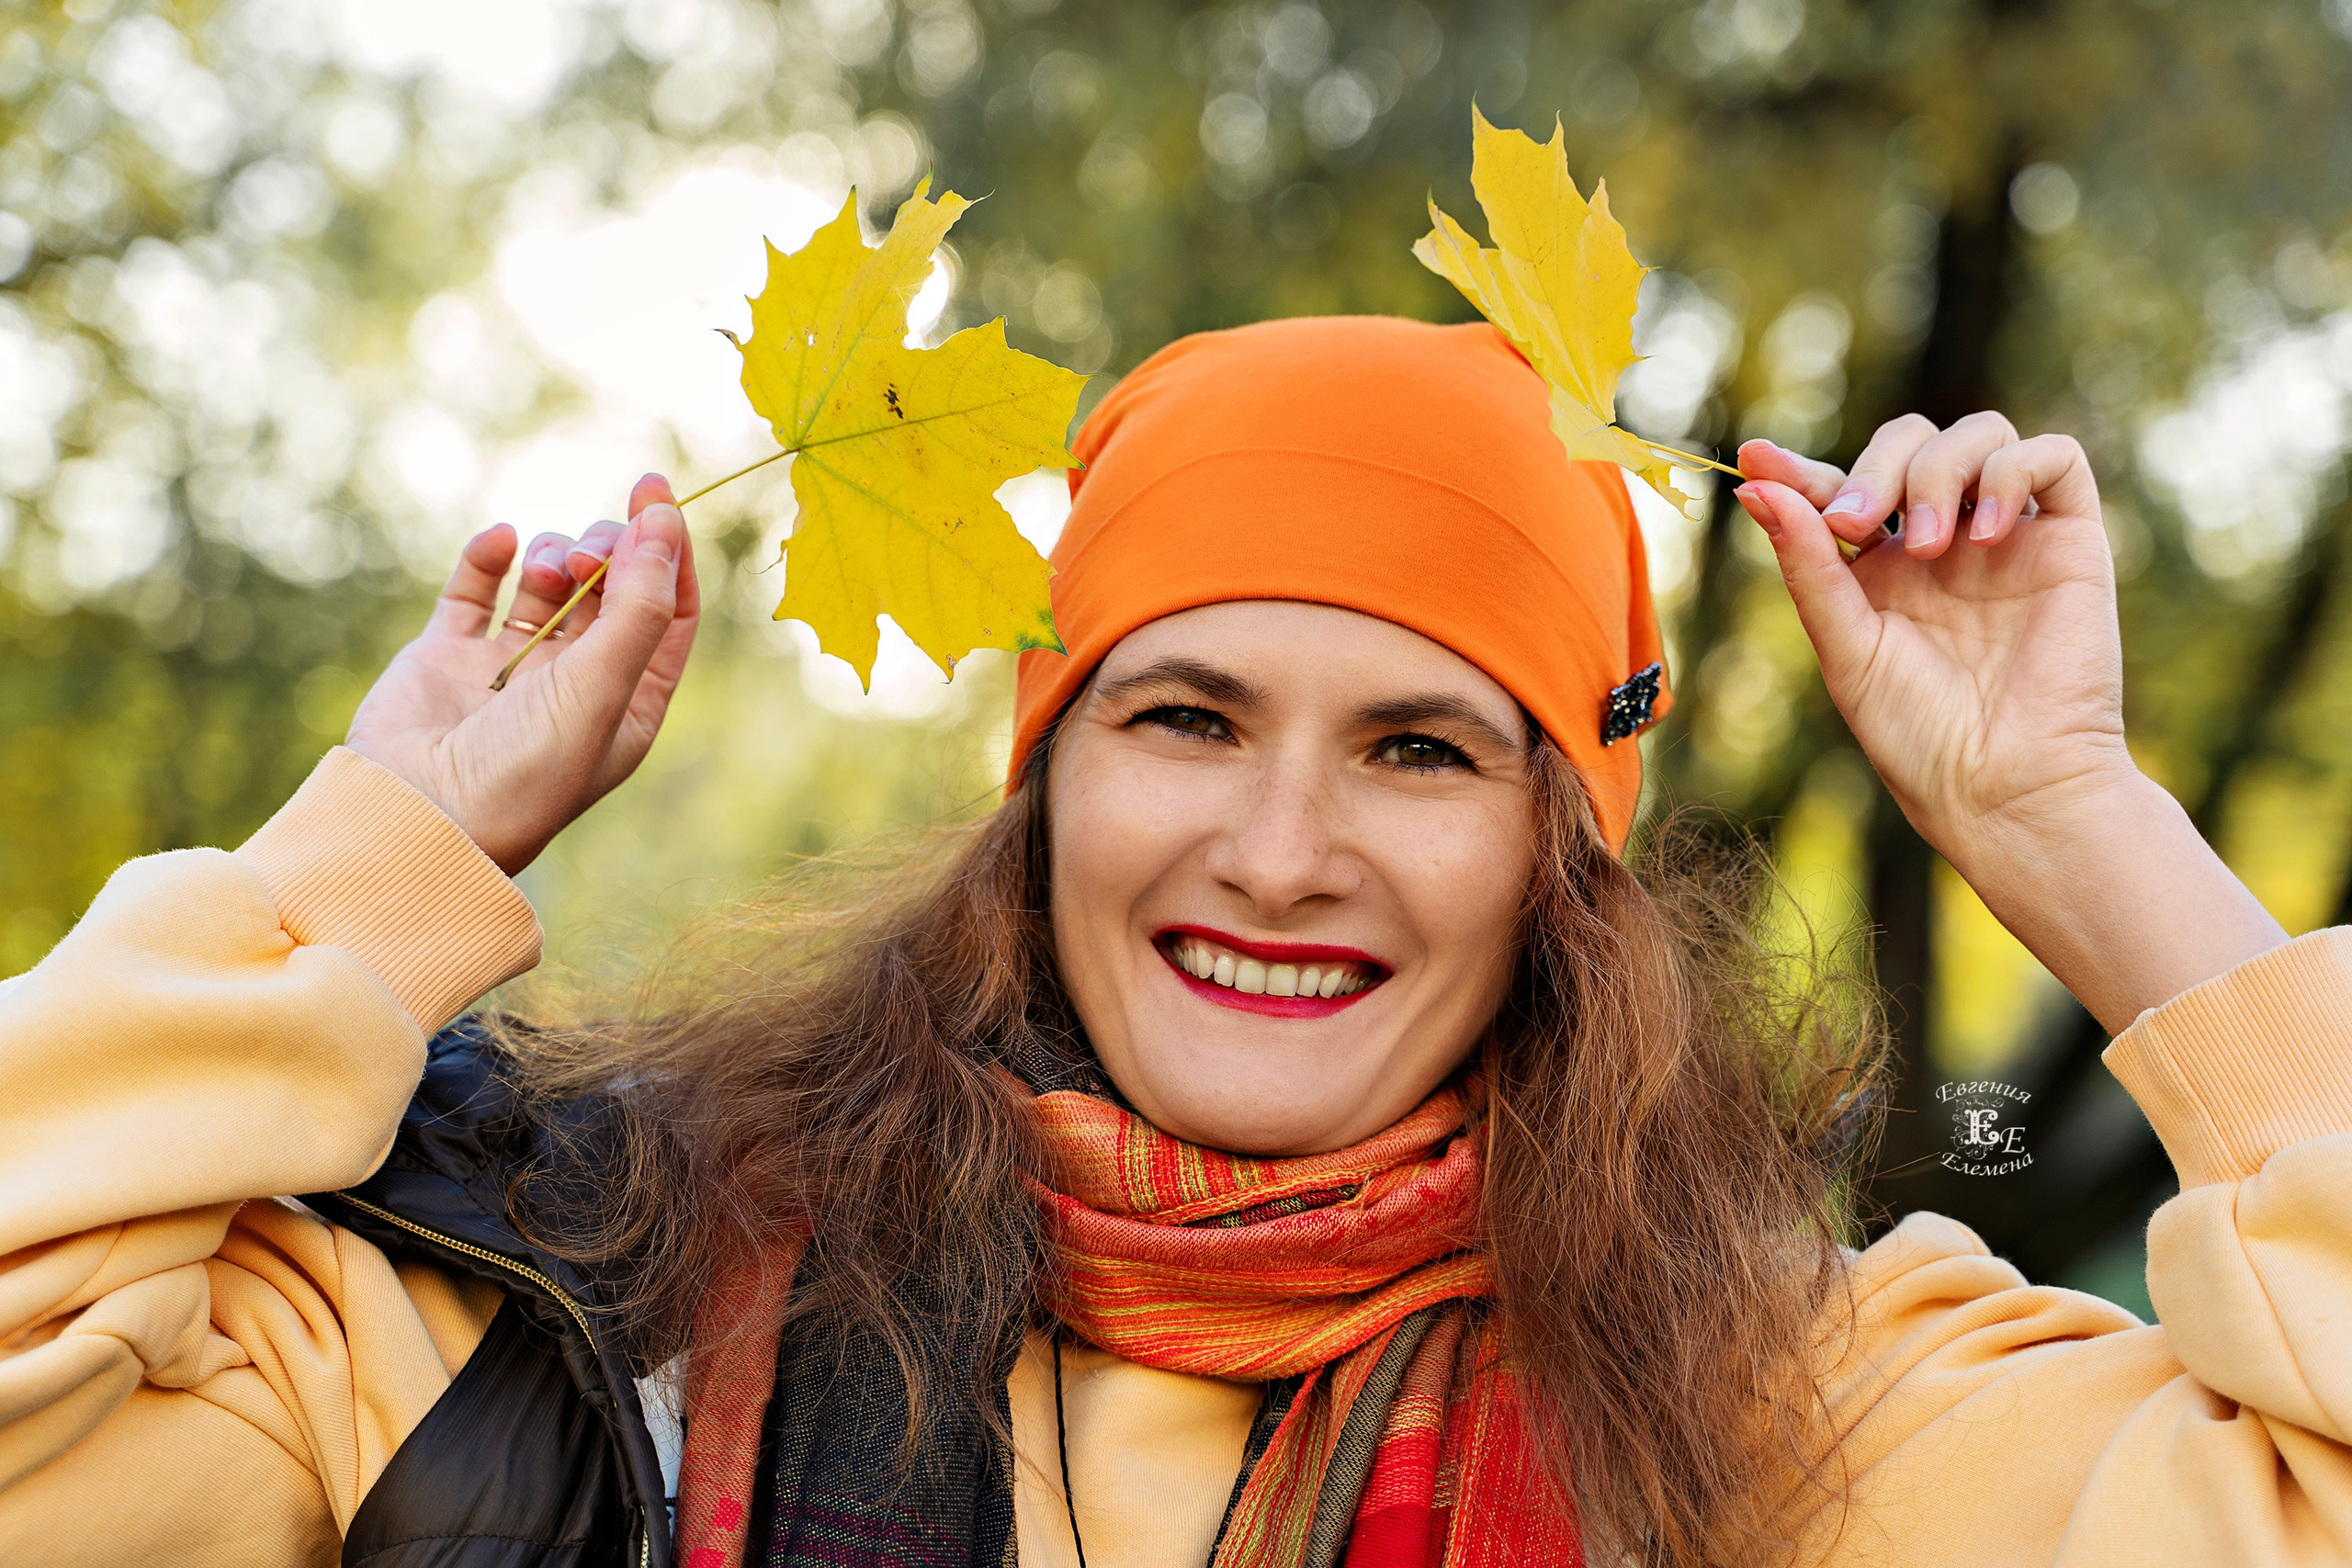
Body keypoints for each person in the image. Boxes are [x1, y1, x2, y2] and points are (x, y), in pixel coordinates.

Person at [2, 316, 2346, 1568]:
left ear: (1559, 848)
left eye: (1422, 749)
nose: (1279, 843)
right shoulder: (542, 1297)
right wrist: (372, 854)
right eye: (1185, 714)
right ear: (1041, 790)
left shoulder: (1785, 1400)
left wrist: (2068, 821)